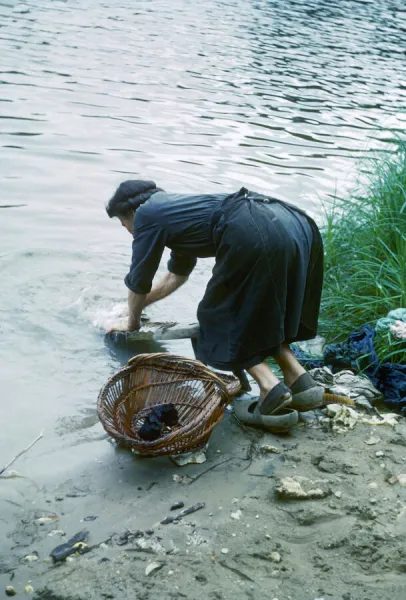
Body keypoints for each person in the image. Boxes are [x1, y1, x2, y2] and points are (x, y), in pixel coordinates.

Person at [106, 179, 325, 431]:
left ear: (133, 212)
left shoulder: (146, 215)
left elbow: (138, 280)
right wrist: (134, 308)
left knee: (218, 317)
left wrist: (131, 322)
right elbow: (176, 276)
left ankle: (269, 387)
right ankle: (299, 381)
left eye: (124, 224)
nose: (129, 231)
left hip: (254, 226)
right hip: (291, 222)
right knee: (265, 311)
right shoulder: (176, 213)